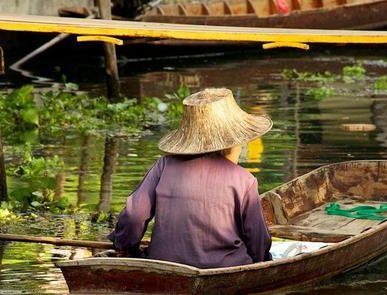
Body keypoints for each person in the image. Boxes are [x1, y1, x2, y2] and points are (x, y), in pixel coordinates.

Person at [109, 88, 273, 269]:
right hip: (225, 269)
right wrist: (261, 263)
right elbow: (258, 242)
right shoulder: (244, 180)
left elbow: (133, 216)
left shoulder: (163, 166)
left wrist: (126, 249)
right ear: (231, 144)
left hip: (162, 266)